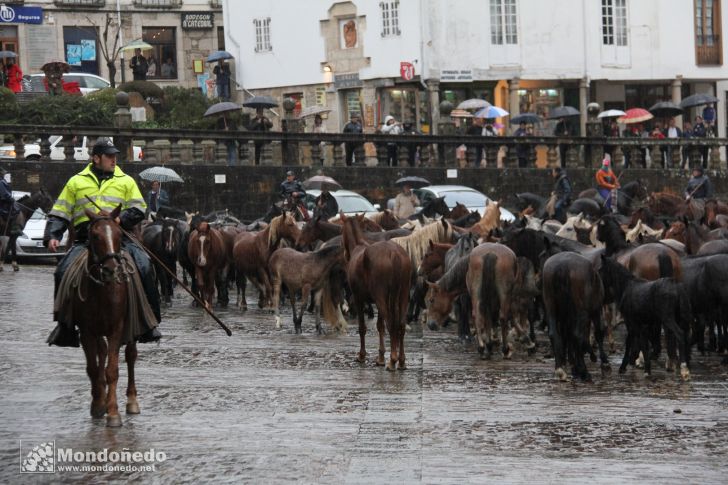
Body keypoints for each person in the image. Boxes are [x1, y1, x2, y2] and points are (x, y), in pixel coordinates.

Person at [44, 138, 161, 347]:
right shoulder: (76, 182)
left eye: (115, 155)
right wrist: (53, 235)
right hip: (85, 240)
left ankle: (149, 322)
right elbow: (60, 212)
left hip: (120, 239)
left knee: (144, 265)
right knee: (61, 271)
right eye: (109, 156)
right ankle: (64, 325)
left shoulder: (125, 180)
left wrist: (120, 219)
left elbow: (139, 209)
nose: (114, 159)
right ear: (96, 158)